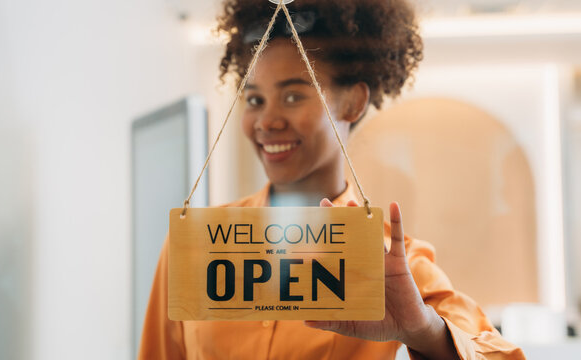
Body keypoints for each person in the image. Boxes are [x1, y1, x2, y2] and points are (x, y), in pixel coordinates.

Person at [139, 0, 526, 358]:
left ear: (353, 102)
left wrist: (423, 329)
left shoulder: (391, 262)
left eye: (293, 96)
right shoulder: (194, 248)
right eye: (254, 99)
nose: (267, 121)